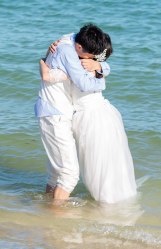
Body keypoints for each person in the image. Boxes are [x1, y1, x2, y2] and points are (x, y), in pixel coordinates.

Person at [40, 32, 138, 204]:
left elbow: (103, 68)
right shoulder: (71, 58)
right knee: (89, 165)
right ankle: (54, 212)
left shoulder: (84, 60)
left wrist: (99, 68)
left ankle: (53, 207)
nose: (92, 57)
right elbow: (50, 76)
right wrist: (44, 58)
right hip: (78, 115)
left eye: (95, 56)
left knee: (97, 162)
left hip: (90, 115)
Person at [35, 24, 110, 201]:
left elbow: (101, 62)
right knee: (69, 174)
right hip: (55, 112)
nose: (89, 58)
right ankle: (57, 219)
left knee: (55, 170)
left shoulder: (69, 38)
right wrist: (102, 83)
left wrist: (98, 64)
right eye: (89, 55)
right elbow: (83, 84)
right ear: (79, 47)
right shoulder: (68, 52)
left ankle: (45, 212)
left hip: (54, 110)